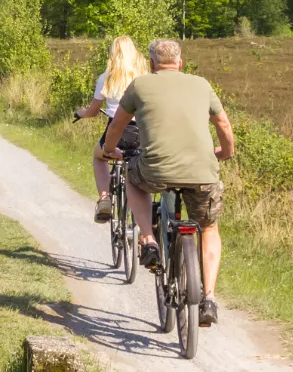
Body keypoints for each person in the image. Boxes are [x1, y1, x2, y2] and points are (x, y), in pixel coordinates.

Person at [100, 39, 235, 327]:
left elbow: (117, 126)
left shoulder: (140, 85)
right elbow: (223, 125)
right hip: (203, 173)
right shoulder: (202, 84)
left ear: (151, 64)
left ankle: (148, 240)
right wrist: (226, 152)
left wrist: (111, 150)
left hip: (156, 170)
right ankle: (209, 298)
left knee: (132, 179)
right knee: (208, 227)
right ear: (180, 63)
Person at [72, 34, 148, 222]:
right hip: (142, 134)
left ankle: (105, 197)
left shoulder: (106, 78)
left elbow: (92, 110)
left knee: (99, 157)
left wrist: (81, 113)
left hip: (116, 135)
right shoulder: (145, 78)